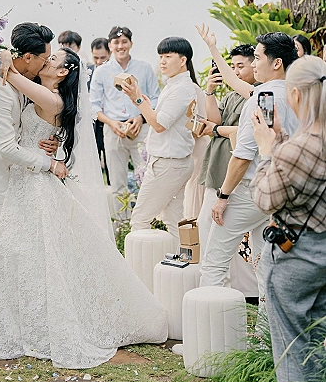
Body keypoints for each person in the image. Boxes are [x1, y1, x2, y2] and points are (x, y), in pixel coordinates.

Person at [0, 47, 168, 367]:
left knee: (41, 254)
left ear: (63, 73)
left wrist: (0, 57)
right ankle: (29, 321)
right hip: (26, 180)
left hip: (36, 183)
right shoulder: (45, 93)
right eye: (45, 58)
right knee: (30, 254)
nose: (46, 62)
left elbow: (11, 74)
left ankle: (45, 322)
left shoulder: (52, 99)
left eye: (52, 60)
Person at [251, 55, 326, 382]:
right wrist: (280, 140)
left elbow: (266, 197)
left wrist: (267, 151)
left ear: (295, 95)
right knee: (317, 340)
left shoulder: (303, 146)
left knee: (293, 348)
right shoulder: (306, 142)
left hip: (297, 255)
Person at [200, 33, 298, 296]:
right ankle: (267, 334)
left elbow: (244, 154)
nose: (253, 64)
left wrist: (223, 196)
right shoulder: (297, 94)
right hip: (281, 194)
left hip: (250, 192)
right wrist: (212, 47)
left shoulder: (262, 97)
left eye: (256, 57)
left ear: (276, 63)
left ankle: (209, 334)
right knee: (265, 266)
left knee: (214, 263)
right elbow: (233, 81)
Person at [0, 23, 66, 263]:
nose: (46, 63)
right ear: (28, 57)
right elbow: (7, 148)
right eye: (44, 58)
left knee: (12, 255)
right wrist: (49, 164)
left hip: (13, 180)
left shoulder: (21, 79)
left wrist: (52, 142)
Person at [122, 37, 199, 250]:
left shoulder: (182, 88)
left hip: (169, 164)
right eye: (161, 57)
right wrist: (139, 98)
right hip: (175, 162)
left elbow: (159, 125)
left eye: (168, 56)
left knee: (140, 219)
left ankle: (139, 272)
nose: (162, 61)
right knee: (174, 221)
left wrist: (137, 100)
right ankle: (186, 265)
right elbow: (160, 118)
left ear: (183, 60)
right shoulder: (175, 84)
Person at [197, 44, 258, 293]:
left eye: (240, 66)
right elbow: (217, 119)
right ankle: (228, 292)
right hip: (220, 165)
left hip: (236, 176)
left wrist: (214, 130)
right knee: (209, 230)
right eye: (232, 67)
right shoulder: (233, 95)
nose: (235, 72)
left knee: (229, 243)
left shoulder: (256, 98)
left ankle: (232, 293)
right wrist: (210, 92)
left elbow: (241, 135)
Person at [90, 26, 160, 201]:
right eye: (116, 42)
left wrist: (141, 117)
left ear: (131, 43)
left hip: (141, 128)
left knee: (148, 179)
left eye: (124, 42)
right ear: (110, 45)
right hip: (113, 129)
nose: (120, 46)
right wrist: (111, 123)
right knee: (117, 183)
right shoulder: (101, 72)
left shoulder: (144, 68)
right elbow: (94, 106)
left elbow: (156, 98)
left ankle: (148, 224)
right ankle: (121, 225)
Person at [89, 37, 111, 180]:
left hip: (110, 121)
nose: (99, 61)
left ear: (110, 53)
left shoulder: (114, 72)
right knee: (93, 158)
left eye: (102, 58)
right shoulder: (87, 72)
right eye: (95, 57)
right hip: (93, 123)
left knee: (111, 160)